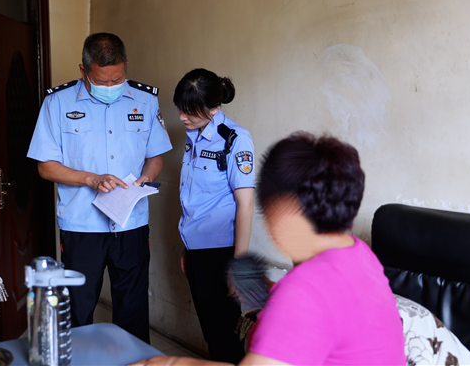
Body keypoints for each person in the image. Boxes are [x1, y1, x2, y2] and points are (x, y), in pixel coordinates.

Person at [129, 132, 406, 366]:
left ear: (285, 211)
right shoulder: (360, 255)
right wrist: (266, 291)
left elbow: (308, 301)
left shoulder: (303, 292)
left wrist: (168, 363)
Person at [27, 32, 172, 344]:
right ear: (84, 70)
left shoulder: (146, 101)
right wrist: (91, 179)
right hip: (82, 227)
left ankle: (134, 363)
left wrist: (145, 178)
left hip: (131, 224)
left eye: (117, 79)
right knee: (78, 312)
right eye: (101, 80)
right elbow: (45, 166)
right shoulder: (57, 103)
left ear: (126, 66)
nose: (110, 86)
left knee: (133, 311)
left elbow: (155, 157)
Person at [173, 68, 255, 363]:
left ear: (214, 107)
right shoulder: (193, 136)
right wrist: (188, 249)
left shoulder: (234, 139)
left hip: (221, 253)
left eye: (190, 111)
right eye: (181, 109)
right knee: (211, 332)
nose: (182, 117)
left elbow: (245, 204)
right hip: (197, 250)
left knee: (225, 338)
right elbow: (196, 199)